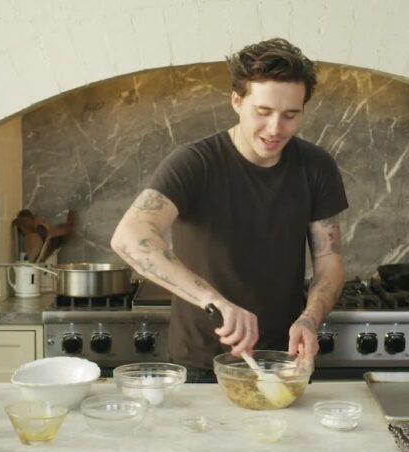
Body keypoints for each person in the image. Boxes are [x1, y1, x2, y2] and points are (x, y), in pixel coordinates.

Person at [111, 38, 348, 380]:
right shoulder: (194, 163)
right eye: (263, 112)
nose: (275, 129)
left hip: (282, 361)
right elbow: (129, 237)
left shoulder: (316, 166)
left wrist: (310, 319)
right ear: (236, 101)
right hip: (200, 365)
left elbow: (329, 263)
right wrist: (216, 302)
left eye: (290, 115)